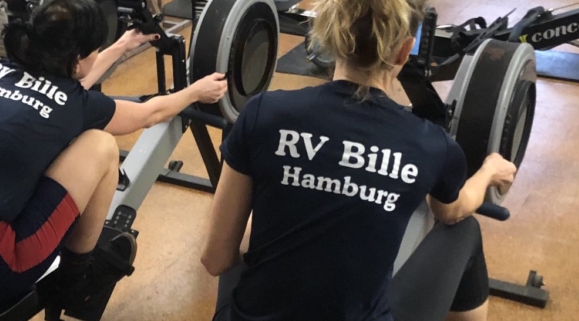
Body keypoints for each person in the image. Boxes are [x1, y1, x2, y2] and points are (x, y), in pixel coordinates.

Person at [0, 0, 227, 315]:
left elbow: (65, 85)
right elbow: (148, 114)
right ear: (79, 58)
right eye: (95, 49)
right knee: (101, 146)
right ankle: (77, 279)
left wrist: (124, 45)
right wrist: (197, 92)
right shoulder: (75, 105)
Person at [200, 0, 517, 320]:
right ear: (405, 51)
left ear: (328, 37)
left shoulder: (263, 113)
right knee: (465, 231)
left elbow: (215, 259)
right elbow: (452, 211)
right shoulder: (432, 146)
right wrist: (489, 171)